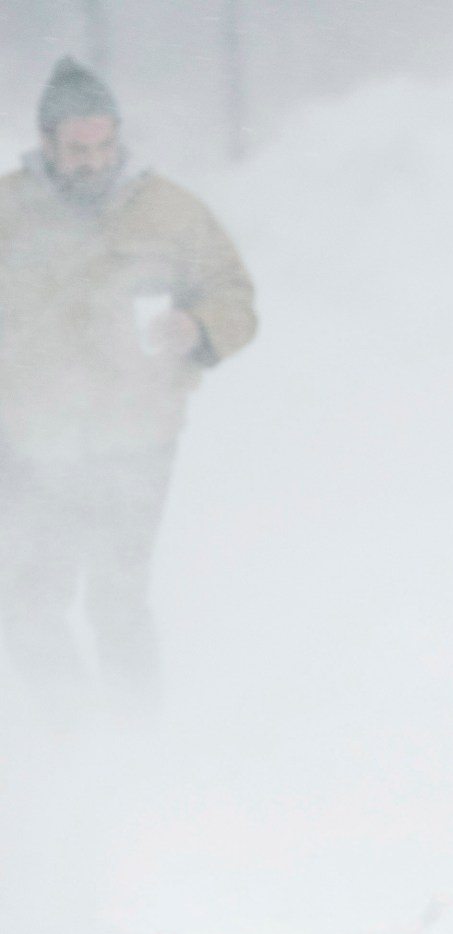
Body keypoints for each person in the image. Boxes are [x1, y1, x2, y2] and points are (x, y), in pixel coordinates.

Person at [0, 58, 256, 706]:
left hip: (136, 439)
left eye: (104, 144)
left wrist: (197, 327)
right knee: (32, 604)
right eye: (79, 148)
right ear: (49, 143)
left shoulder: (170, 211)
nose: (94, 159)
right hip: (32, 443)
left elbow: (235, 296)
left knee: (116, 600)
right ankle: (72, 743)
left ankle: (136, 749)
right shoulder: (8, 212)